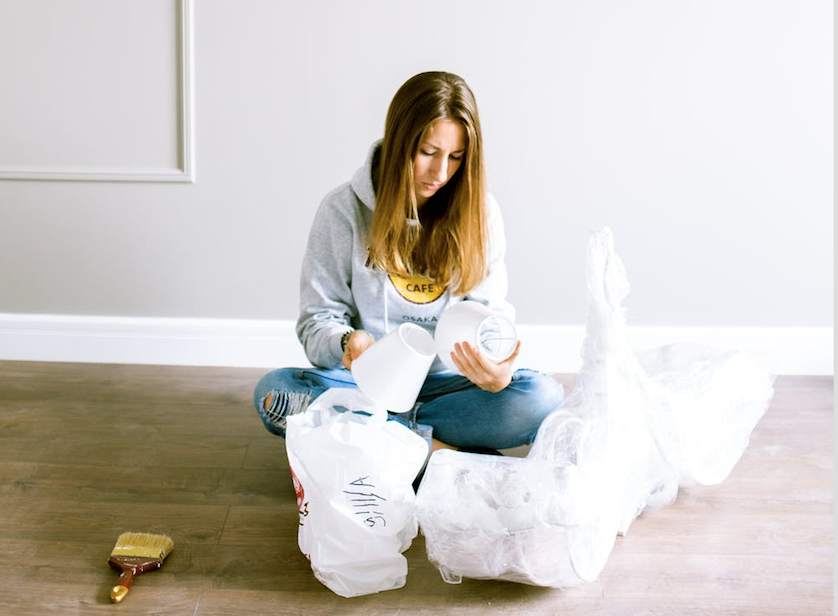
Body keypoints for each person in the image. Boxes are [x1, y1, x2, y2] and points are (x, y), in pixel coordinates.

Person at [253, 71, 564, 452]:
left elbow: (489, 316)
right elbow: (317, 323)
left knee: (542, 397)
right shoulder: (342, 211)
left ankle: (387, 446)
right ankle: (439, 453)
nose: (440, 173)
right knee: (275, 395)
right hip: (368, 386)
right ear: (400, 141)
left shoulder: (481, 212)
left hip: (451, 386)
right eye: (428, 153)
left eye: (456, 157)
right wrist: (348, 342)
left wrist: (495, 370)